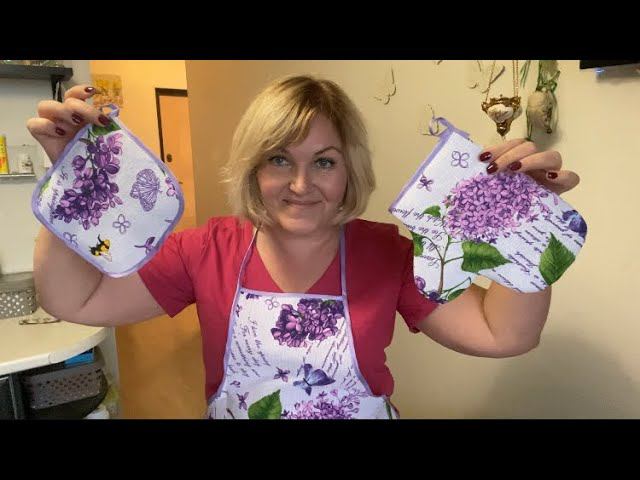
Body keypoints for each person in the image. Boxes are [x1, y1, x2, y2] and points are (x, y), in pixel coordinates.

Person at [27, 75, 580, 419]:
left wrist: (526, 225)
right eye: (278, 159)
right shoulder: (206, 250)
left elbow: (504, 334)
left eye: (324, 161)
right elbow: (75, 300)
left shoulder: (387, 254)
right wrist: (72, 178)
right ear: (253, 167)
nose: (300, 184)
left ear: (348, 168)